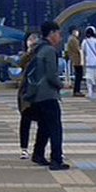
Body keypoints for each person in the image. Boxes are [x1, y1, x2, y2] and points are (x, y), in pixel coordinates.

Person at [28, 23, 68, 170]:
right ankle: (56, 159)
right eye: (58, 33)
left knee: (44, 126)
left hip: (36, 94)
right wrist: (61, 85)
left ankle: (38, 154)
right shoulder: (49, 50)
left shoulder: (38, 48)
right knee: (55, 128)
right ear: (51, 33)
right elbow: (52, 75)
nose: (60, 37)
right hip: (48, 95)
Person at [14, 31, 41, 158]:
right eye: (31, 39)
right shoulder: (26, 55)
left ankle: (42, 150)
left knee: (46, 122)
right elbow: (20, 63)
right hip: (26, 92)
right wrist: (29, 51)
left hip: (40, 92)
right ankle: (24, 148)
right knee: (25, 120)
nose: (33, 41)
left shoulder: (43, 53)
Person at [67, 25, 86, 96]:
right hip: (77, 60)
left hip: (75, 60)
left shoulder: (71, 39)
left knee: (78, 76)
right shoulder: (73, 39)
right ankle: (76, 91)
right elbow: (78, 49)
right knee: (78, 76)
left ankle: (77, 90)